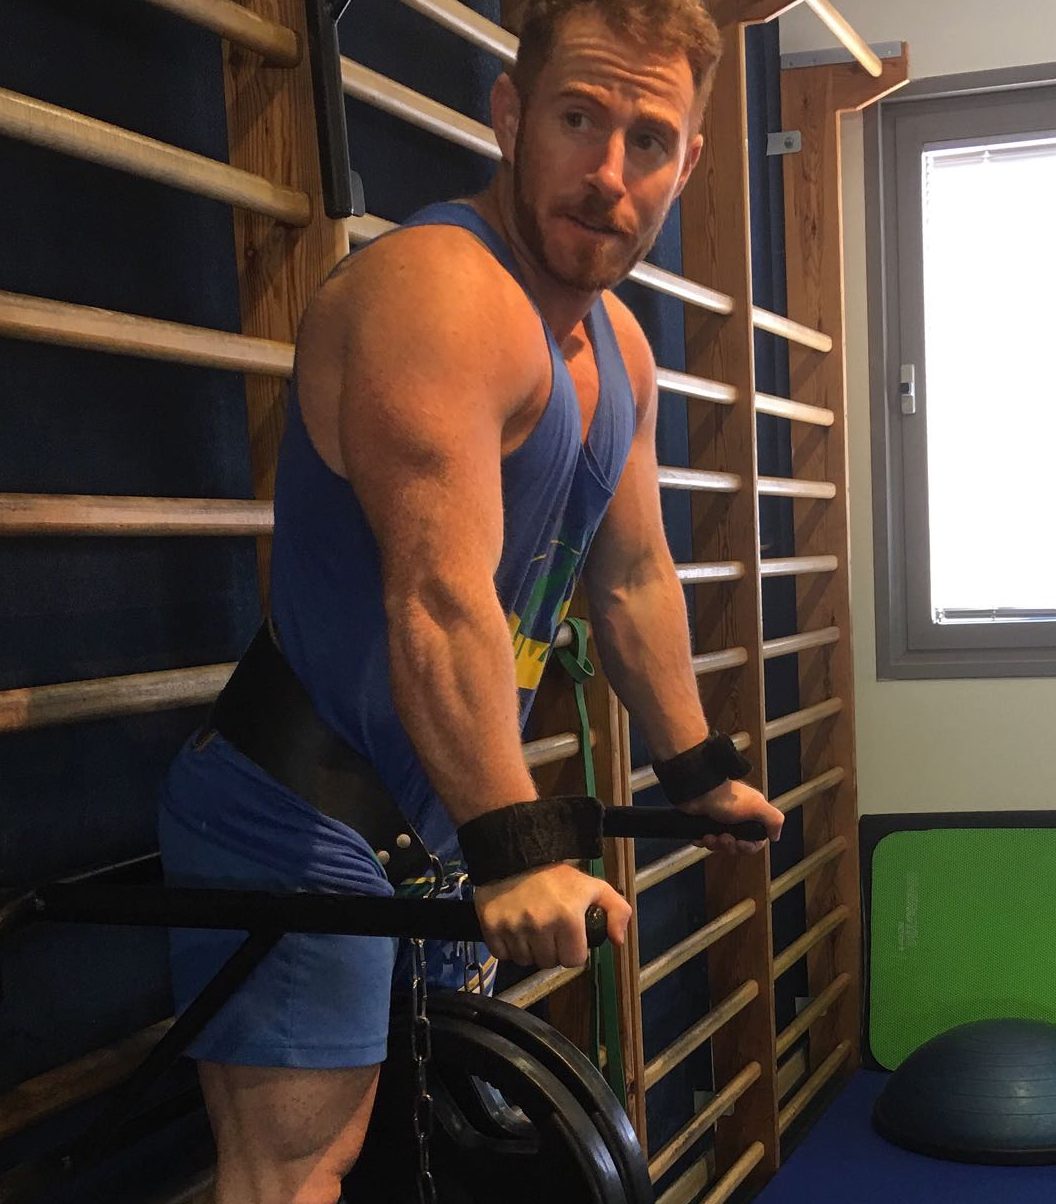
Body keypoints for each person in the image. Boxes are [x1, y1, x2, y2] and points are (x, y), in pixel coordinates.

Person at [157, 1, 786, 1201]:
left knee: (420, 1156)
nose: (609, 174)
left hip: (434, 822)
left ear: (689, 161)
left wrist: (698, 770)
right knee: (297, 1172)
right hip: (299, 813)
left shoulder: (618, 350)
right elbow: (439, 600)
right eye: (577, 119)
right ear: (510, 114)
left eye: (648, 141)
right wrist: (513, 846)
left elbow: (633, 578)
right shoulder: (439, 297)